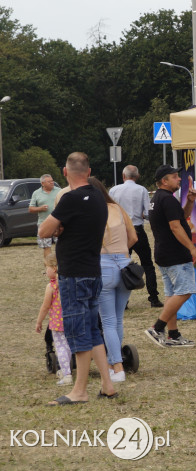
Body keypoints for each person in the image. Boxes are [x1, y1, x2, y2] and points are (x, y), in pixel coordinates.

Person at [38, 152, 117, 404]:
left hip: (73, 274)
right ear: (89, 170)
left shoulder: (71, 199)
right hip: (93, 271)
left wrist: (59, 228)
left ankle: (79, 391)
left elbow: (43, 230)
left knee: (78, 331)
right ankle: (107, 384)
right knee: (93, 329)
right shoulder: (97, 197)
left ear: (64, 172)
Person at [144, 165, 196, 348]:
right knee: (185, 291)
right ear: (164, 181)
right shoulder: (167, 199)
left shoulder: (159, 198)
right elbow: (175, 227)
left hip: (163, 253)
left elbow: (180, 218)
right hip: (175, 254)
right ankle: (158, 327)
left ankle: (173, 334)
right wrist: (192, 249)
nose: (179, 179)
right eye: (175, 177)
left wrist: (190, 201)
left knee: (172, 295)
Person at [92, 176, 138, 383]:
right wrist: (122, 251)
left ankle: (116, 366)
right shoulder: (118, 208)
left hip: (103, 265)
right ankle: (114, 363)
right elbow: (134, 237)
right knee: (117, 319)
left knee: (108, 321)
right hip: (125, 266)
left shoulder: (92, 212)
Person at [110, 165, 163, 307]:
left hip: (120, 231)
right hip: (137, 229)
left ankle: (123, 300)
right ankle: (153, 297)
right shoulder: (142, 190)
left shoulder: (114, 190)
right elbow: (147, 213)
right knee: (147, 264)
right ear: (137, 176)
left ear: (123, 176)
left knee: (121, 264)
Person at [35, 253, 72, 386]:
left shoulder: (51, 287)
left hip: (57, 322)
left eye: (46, 267)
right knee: (68, 346)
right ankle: (66, 369)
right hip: (71, 319)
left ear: (54, 268)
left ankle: (66, 373)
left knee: (61, 347)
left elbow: (45, 307)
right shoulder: (68, 282)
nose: (45, 271)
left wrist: (39, 321)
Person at [28, 174, 61, 260]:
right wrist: (40, 208)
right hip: (44, 223)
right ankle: (49, 268)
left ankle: (61, 266)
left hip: (58, 223)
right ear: (43, 183)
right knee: (46, 246)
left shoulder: (59, 191)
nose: (52, 182)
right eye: (49, 181)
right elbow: (31, 209)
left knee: (61, 245)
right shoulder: (36, 193)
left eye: (52, 180)